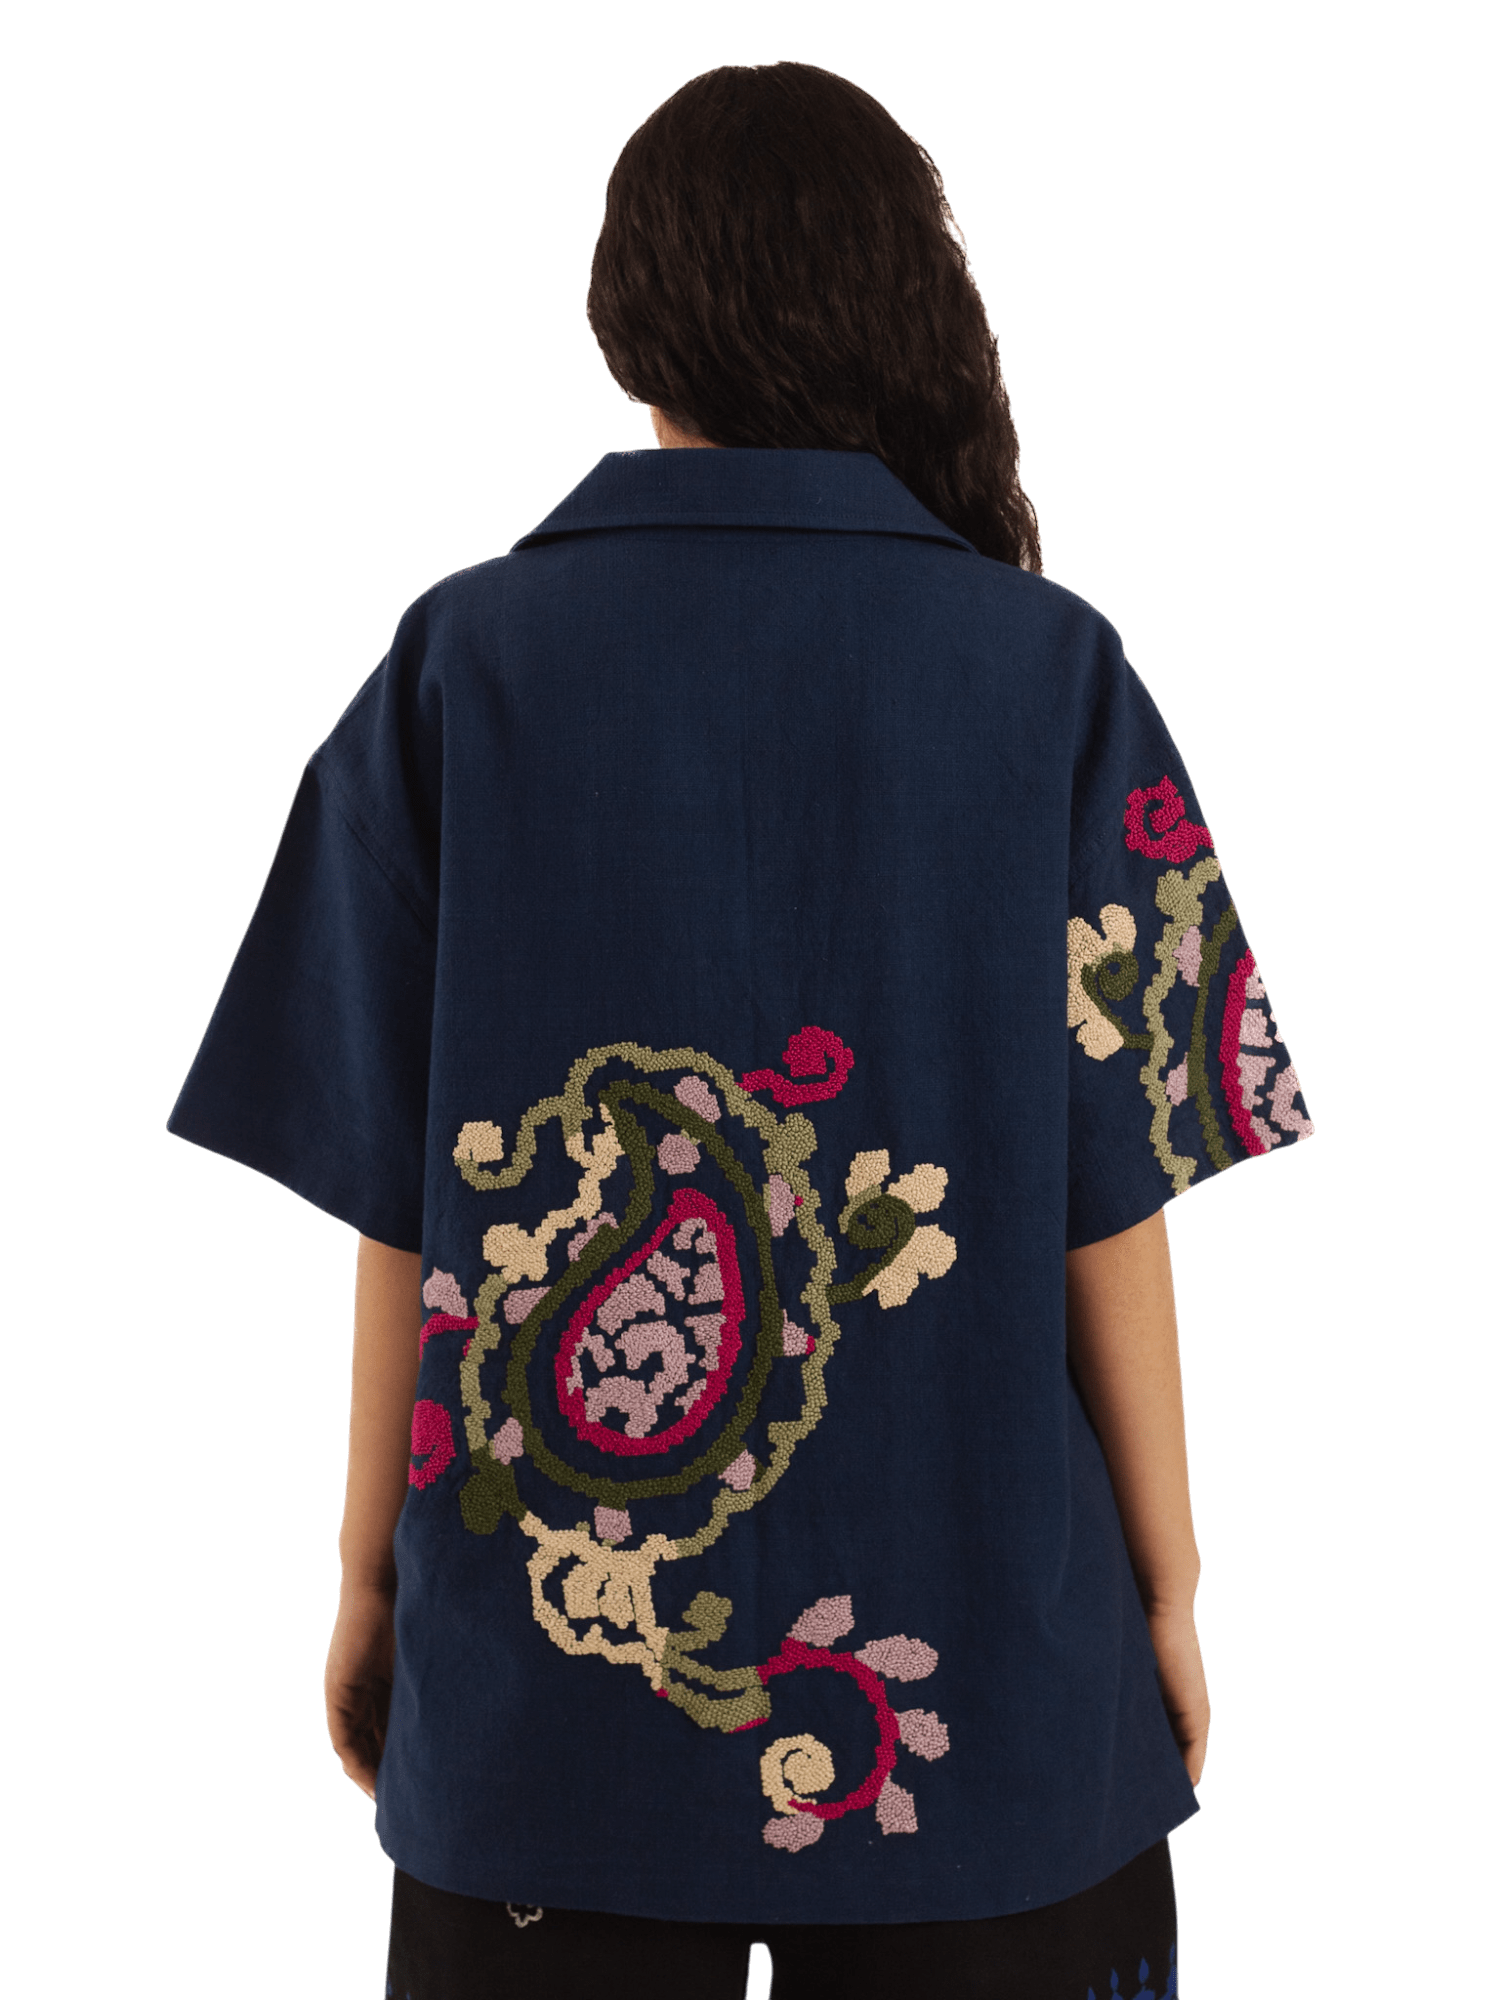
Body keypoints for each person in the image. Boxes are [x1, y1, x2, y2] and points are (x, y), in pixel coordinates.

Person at [166, 60, 1314, 2000]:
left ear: (628, 321)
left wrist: (367, 1577)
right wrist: (1169, 1585)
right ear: (897, 306)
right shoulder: (1052, 669)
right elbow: (1113, 1200)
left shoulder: (459, 663)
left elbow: (406, 1196)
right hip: (993, 1702)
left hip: (546, 1700)